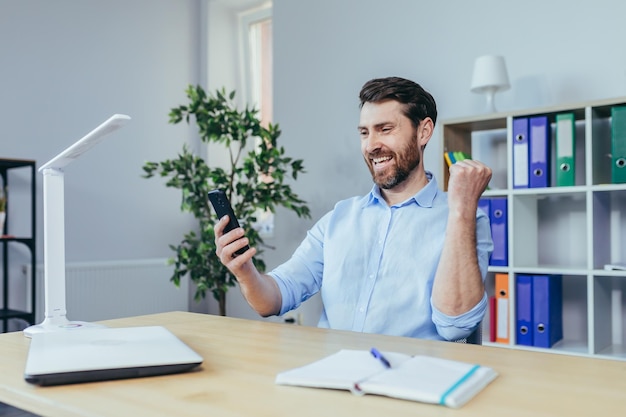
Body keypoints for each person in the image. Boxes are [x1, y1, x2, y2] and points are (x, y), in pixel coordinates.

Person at [214, 76, 493, 341]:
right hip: (334, 375)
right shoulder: (339, 218)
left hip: (408, 379)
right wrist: (245, 272)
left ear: (424, 131)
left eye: (385, 129)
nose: (371, 145)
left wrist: (462, 209)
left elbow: (455, 326)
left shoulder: (463, 219)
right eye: (364, 132)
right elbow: (274, 298)